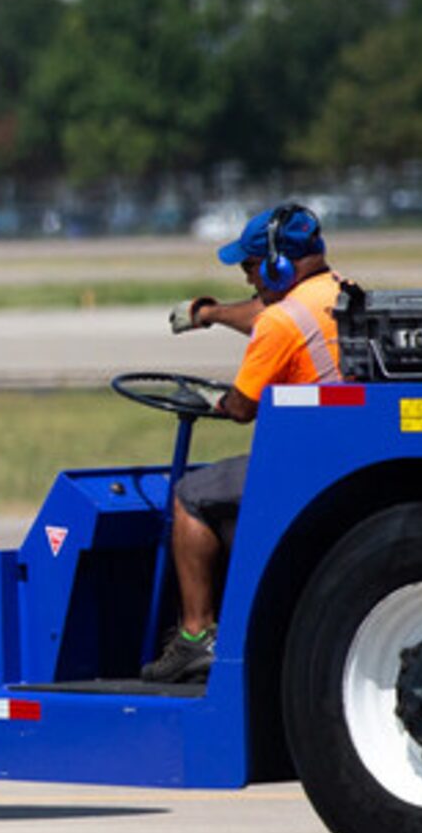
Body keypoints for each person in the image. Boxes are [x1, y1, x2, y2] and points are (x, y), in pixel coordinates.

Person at [141, 205, 344, 684]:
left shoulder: (280, 325)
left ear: (277, 265)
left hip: (303, 464)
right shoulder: (338, 293)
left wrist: (215, 399)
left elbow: (241, 407)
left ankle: (195, 636)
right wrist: (209, 314)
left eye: (251, 268)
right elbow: (269, 313)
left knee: (192, 494)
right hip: (341, 456)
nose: (249, 279)